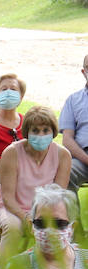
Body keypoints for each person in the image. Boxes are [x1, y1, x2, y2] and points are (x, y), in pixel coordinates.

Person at [0, 105, 72, 265]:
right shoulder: (12, 152)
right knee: (13, 227)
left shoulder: (63, 155)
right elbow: (8, 197)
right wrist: (27, 218)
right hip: (12, 209)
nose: (41, 135)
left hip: (45, 211)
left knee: (59, 230)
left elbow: (57, 198)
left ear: (53, 132)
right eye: (35, 130)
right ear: (27, 131)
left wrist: (40, 219)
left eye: (45, 130)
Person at [60, 54, 88, 188]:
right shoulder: (73, 100)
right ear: (84, 72)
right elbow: (67, 140)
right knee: (66, 172)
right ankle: (69, 210)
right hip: (83, 158)